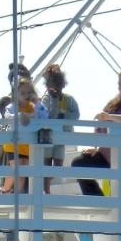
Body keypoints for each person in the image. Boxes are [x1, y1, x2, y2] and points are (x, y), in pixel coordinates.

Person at [70, 68, 121, 225]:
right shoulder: (113, 105)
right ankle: (103, 206)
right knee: (78, 164)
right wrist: (95, 146)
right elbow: (100, 126)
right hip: (107, 157)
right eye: (119, 83)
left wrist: (111, 118)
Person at [0, 77, 48, 195]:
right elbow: (8, 116)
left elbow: (45, 116)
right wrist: (21, 115)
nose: (26, 95)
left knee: (23, 172)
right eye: (22, 93)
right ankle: (5, 190)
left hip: (27, 143)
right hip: (14, 142)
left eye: (28, 92)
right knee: (16, 169)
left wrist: (37, 103)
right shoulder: (12, 107)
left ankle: (18, 196)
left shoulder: (35, 106)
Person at [38, 64, 81, 193]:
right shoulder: (46, 99)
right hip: (48, 137)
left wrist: (63, 115)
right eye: (52, 83)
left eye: (58, 83)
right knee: (46, 163)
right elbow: (48, 116)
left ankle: (46, 182)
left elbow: (76, 114)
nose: (56, 87)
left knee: (57, 166)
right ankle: (46, 192)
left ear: (63, 84)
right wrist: (54, 101)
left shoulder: (69, 100)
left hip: (62, 137)